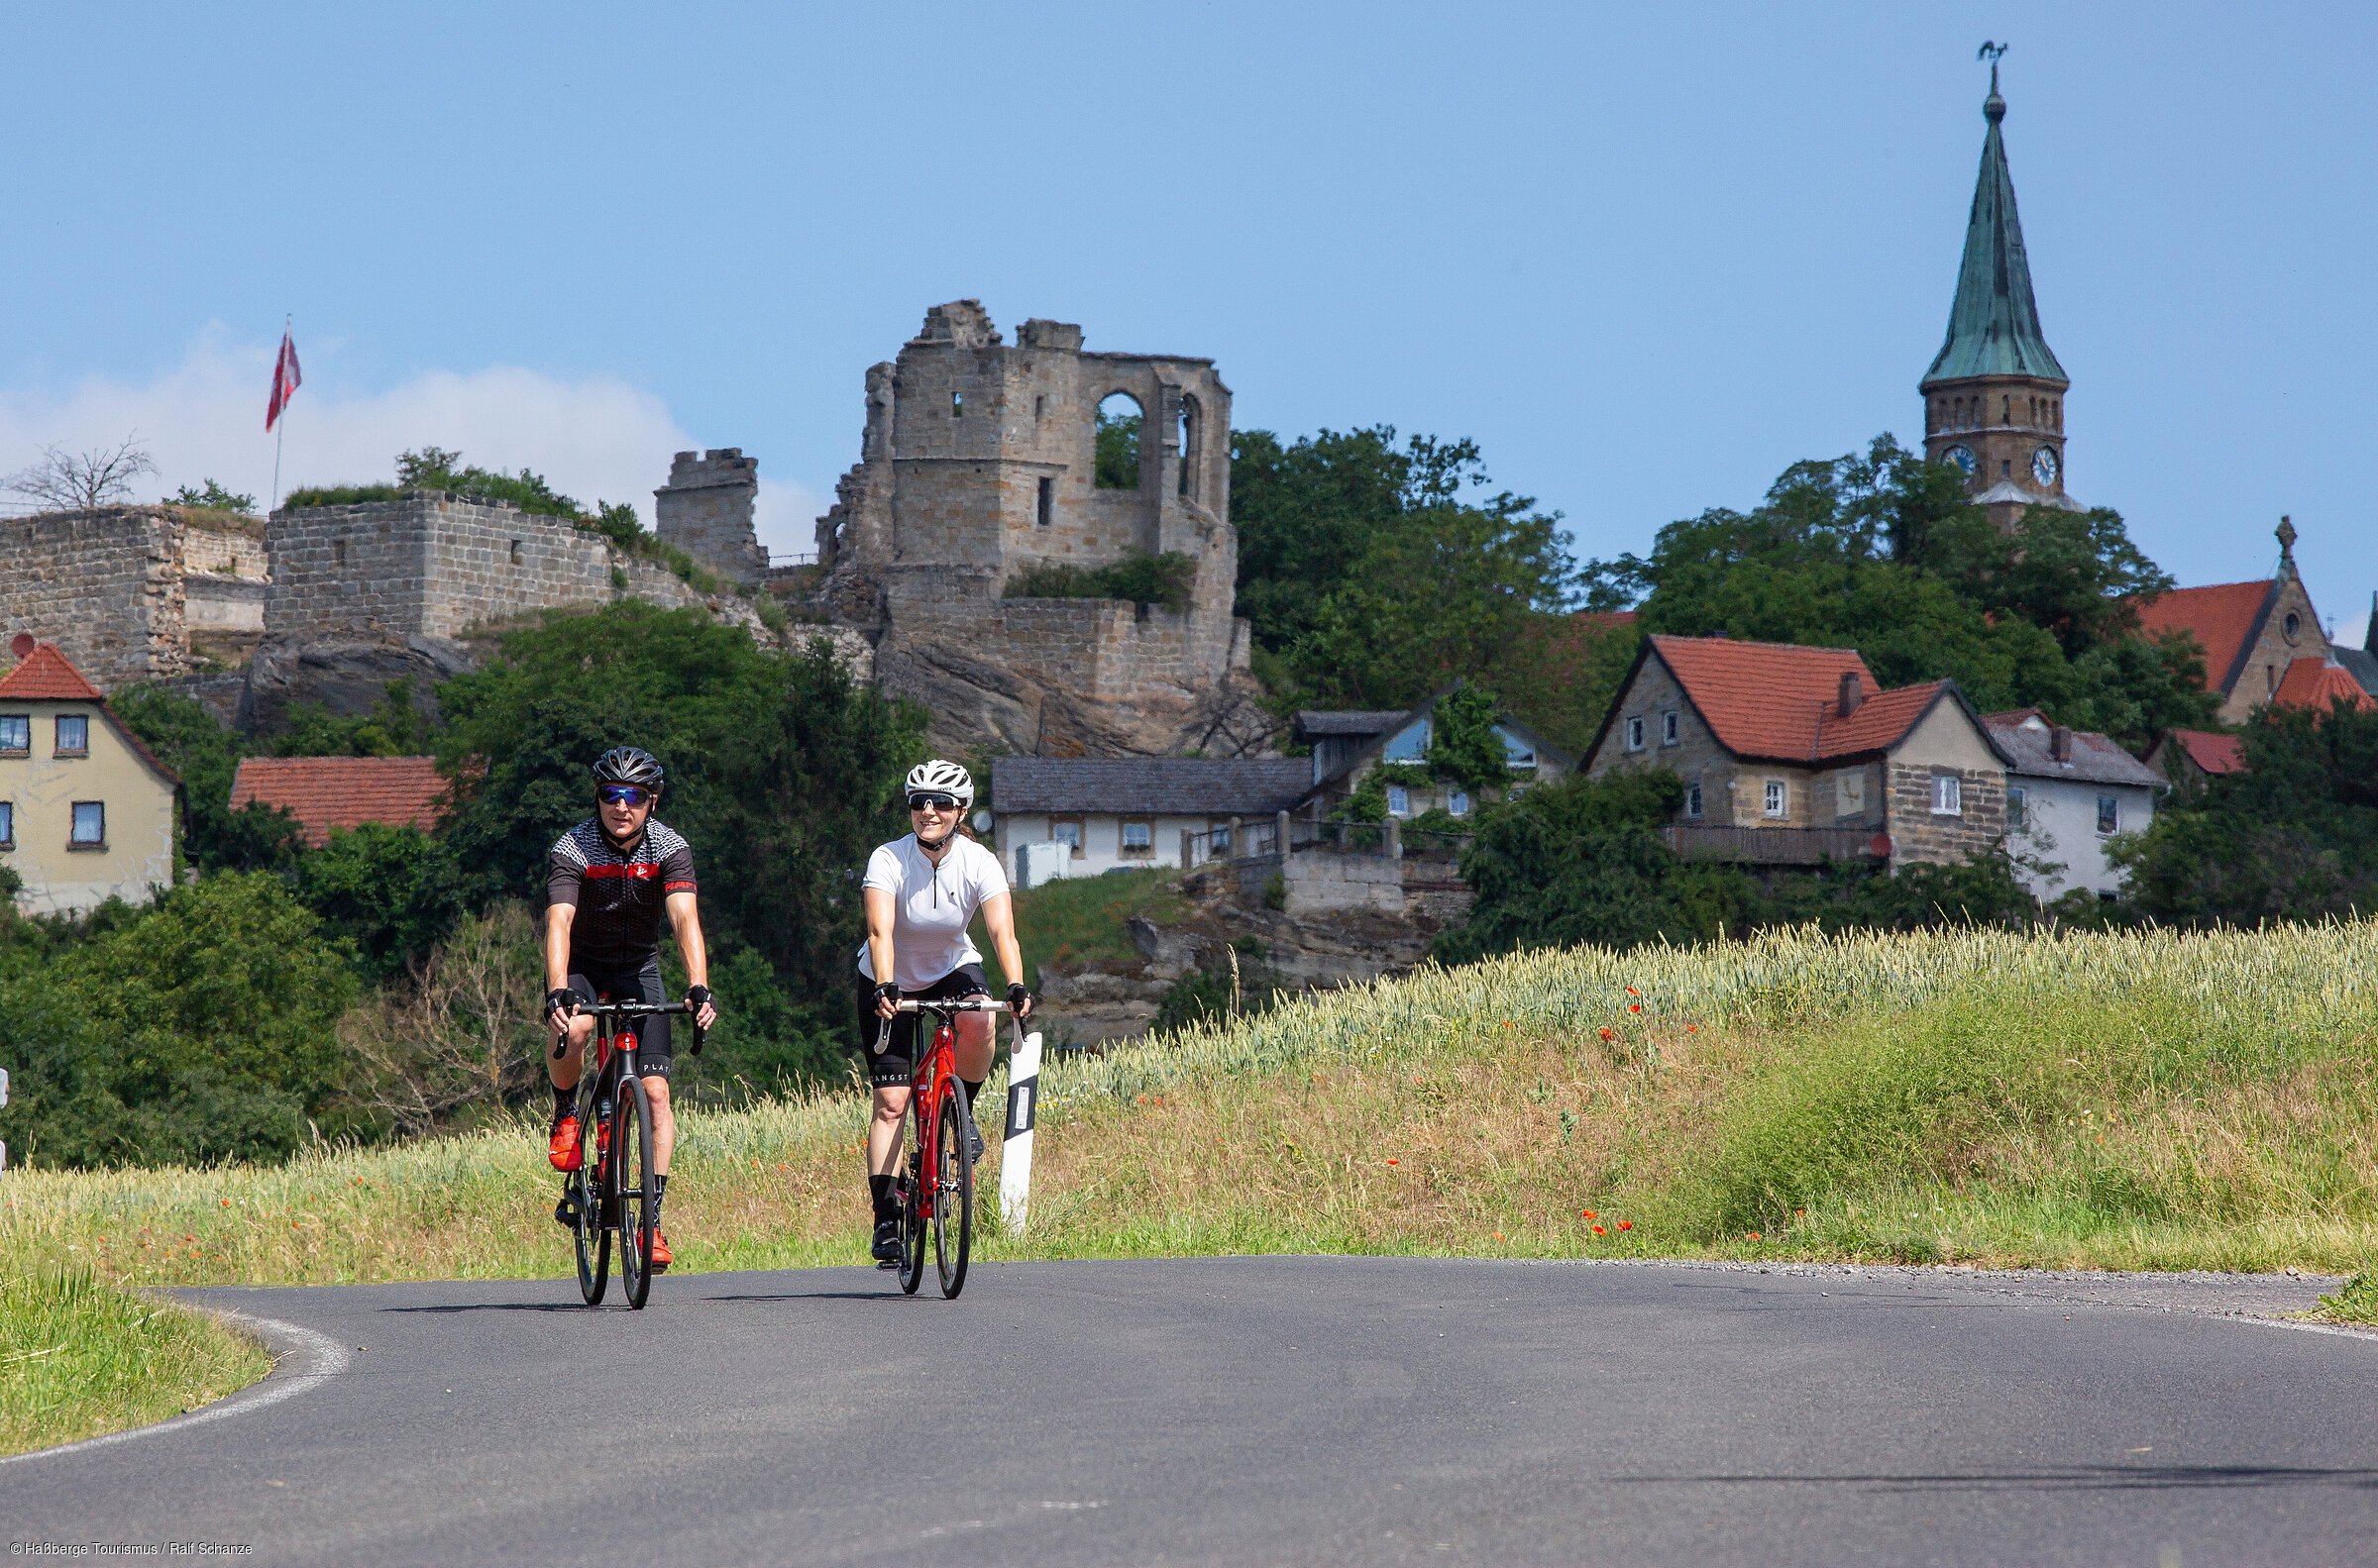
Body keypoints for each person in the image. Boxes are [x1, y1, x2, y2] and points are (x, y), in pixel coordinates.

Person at [544, 746, 719, 1272]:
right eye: (611, 795)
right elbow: (558, 923)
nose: (622, 806)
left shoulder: (669, 848)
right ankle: (566, 1113)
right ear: (598, 798)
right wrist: (557, 989)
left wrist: (699, 986)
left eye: (634, 796)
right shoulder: (574, 847)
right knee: (574, 1031)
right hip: (582, 968)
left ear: (652, 801)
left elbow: (685, 920)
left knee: (657, 1093)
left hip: (638, 968)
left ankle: (651, 1222)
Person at [858, 759, 1032, 1267]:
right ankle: (886, 1220)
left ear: (961, 811)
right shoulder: (888, 859)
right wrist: (887, 984)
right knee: (892, 1102)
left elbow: (1002, 931)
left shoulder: (980, 862)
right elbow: (879, 932)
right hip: (886, 976)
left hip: (953, 966)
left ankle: (962, 1110)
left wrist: (1016, 984)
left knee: (980, 1019)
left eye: (939, 803)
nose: (928, 812)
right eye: (918, 803)